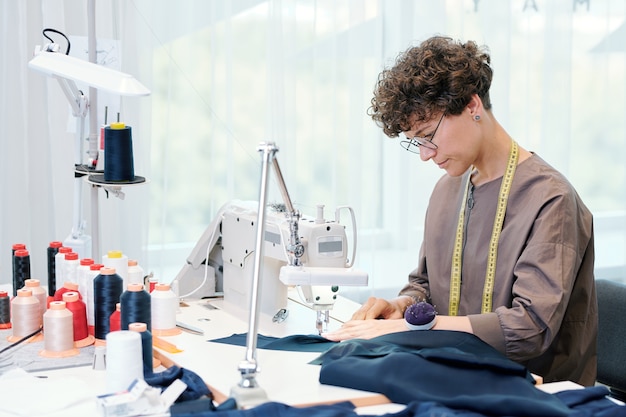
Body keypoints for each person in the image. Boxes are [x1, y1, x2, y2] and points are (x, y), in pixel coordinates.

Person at [322, 35, 597, 386]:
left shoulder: (551, 199)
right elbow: (426, 284)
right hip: (454, 376)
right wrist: (403, 307)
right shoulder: (448, 189)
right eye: (416, 142)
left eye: (427, 135)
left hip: (538, 392)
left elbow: (529, 329)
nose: (425, 154)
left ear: (471, 106)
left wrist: (419, 328)